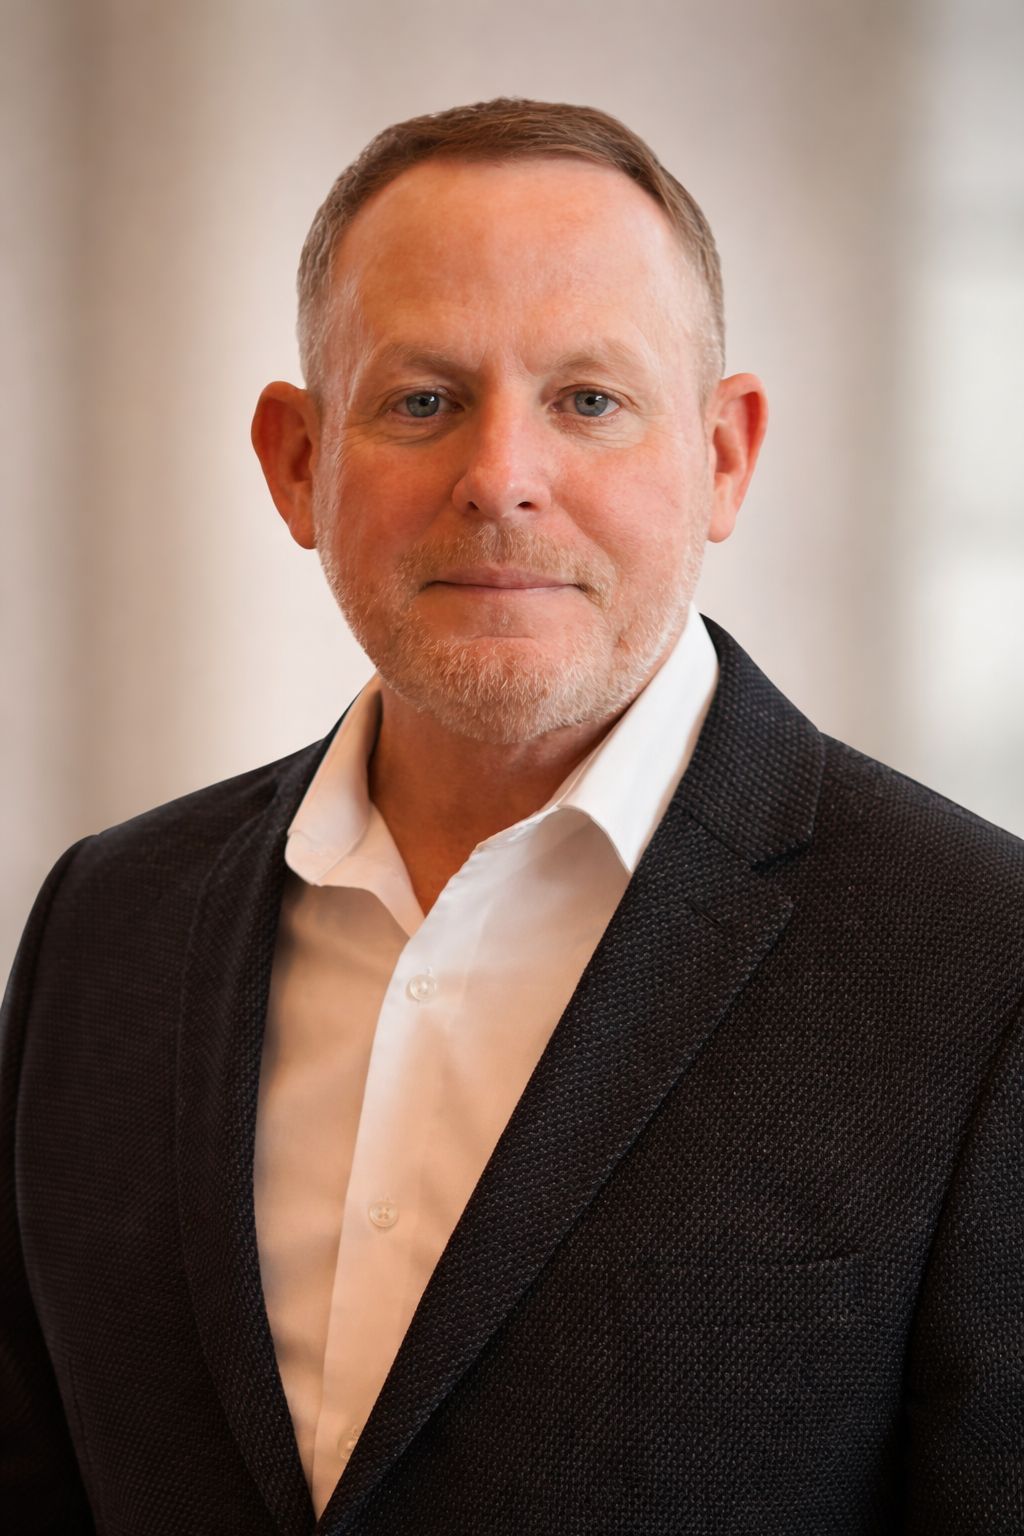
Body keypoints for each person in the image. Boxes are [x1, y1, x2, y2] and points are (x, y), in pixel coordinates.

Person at [2, 97, 1022, 1536]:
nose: (500, 480)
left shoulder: (982, 969)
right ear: (299, 463)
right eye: (421, 400)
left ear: (725, 456)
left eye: (589, 400)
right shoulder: (101, 930)